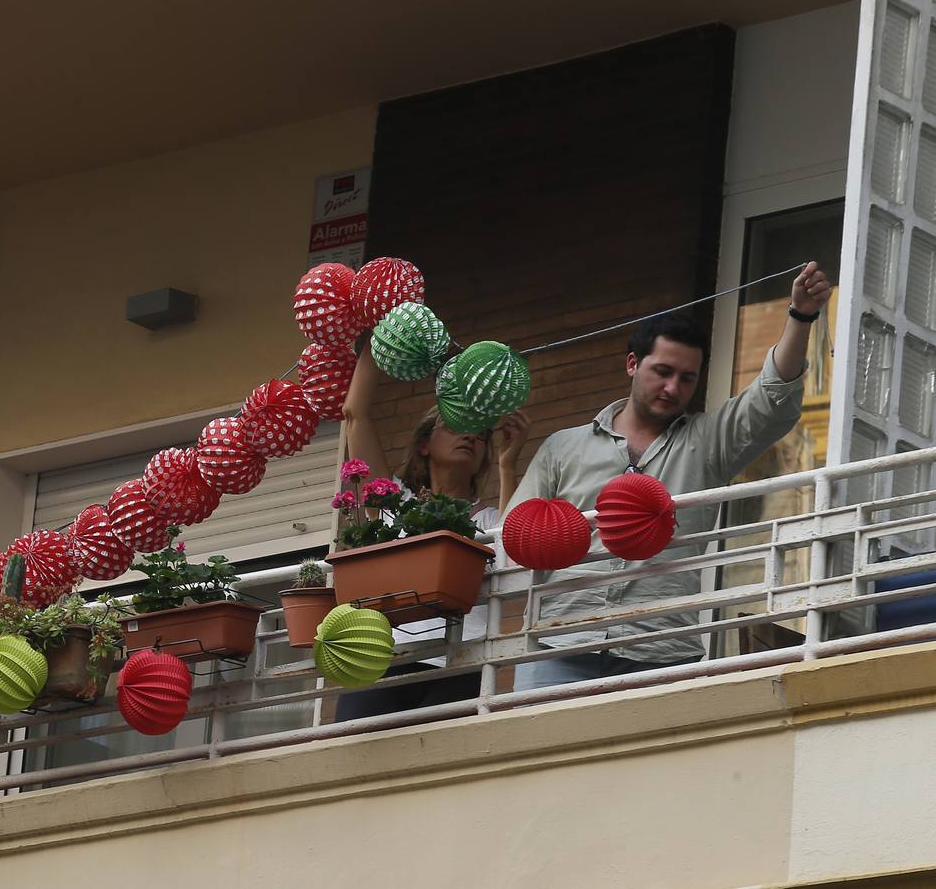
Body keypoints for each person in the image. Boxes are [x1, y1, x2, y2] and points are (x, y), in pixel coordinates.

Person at [505, 262, 832, 691]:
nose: (674, 388)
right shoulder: (562, 447)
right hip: (558, 645)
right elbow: (515, 536)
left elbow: (770, 399)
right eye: (663, 371)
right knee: (540, 758)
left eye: (687, 378)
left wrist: (801, 315)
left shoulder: (708, 441)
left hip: (660, 650)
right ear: (632, 365)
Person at [333, 330, 529, 720]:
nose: (472, 435)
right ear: (424, 443)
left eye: (481, 434)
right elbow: (356, 414)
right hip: (385, 658)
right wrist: (380, 335)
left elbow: (513, 566)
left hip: (462, 663)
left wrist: (509, 465)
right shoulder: (395, 502)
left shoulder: (490, 520)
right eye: (456, 424)